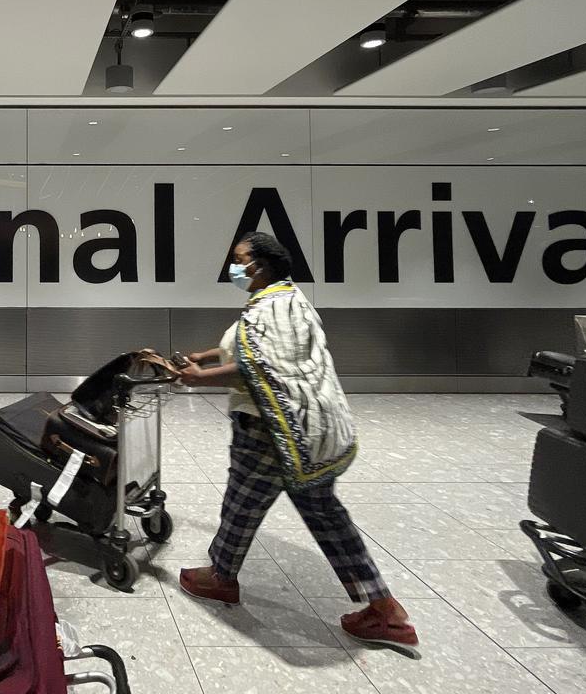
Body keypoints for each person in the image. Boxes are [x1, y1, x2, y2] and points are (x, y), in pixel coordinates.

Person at [175, 231, 419, 655]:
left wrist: (198, 379)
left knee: (241, 504)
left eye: (239, 260)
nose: (233, 267)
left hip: (271, 432)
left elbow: (259, 370)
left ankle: (221, 576)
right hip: (307, 435)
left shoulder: (271, 307)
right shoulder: (287, 301)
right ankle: (385, 609)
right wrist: (206, 357)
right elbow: (252, 352)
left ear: (260, 266)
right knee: (325, 517)